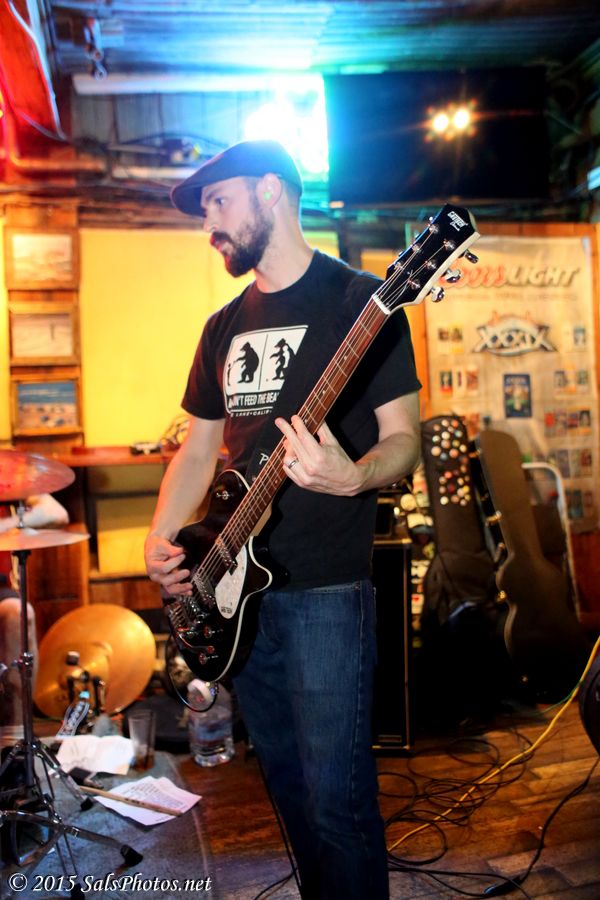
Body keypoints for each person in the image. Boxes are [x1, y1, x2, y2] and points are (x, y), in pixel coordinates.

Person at [144, 139, 421, 899]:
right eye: (205, 210)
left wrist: (353, 474)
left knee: (338, 804)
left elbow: (405, 440)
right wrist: (162, 537)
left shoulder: (362, 303)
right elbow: (199, 451)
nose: (209, 224)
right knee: (290, 793)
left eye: (219, 201)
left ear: (270, 190)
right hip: (234, 593)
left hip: (326, 590)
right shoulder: (221, 326)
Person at [0, 494, 69, 748]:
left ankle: (16, 740)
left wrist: (7, 524)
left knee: (19, 613)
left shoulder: (7, 478)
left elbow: (56, 512)